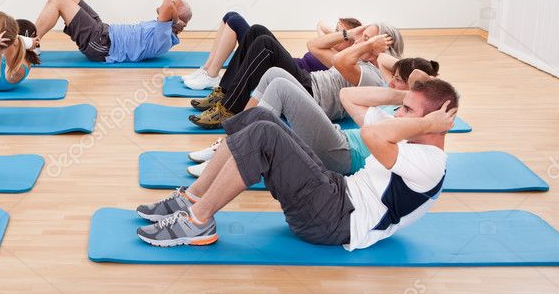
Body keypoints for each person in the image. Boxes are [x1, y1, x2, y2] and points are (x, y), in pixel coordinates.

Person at [134, 78, 459, 250]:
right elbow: (350, 97)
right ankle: (192, 198)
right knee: (260, 116)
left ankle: (198, 222)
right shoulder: (404, 134)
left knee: (263, 134)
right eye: (402, 110)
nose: (399, 116)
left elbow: (374, 136)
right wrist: (401, 101)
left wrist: (428, 123)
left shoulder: (429, 163)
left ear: (433, 123)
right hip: (334, 193)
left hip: (335, 221)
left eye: (408, 112)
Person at [187, 61, 439, 178]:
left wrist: (414, 98)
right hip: (337, 137)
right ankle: (230, 144)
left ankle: (234, 151)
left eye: (408, 107)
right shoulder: (392, 115)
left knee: (281, 89)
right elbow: (347, 95)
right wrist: (403, 95)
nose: (401, 110)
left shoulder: (409, 133)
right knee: (274, 72)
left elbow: (420, 78)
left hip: (342, 154)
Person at [189, 21, 405, 127]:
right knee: (257, 31)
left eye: (367, 38)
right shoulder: (356, 61)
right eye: (363, 37)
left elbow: (340, 60)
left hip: (311, 95)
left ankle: (228, 110)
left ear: (382, 46)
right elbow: (314, 46)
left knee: (265, 45)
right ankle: (225, 93)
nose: (360, 41)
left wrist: (367, 45)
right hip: (307, 82)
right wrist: (349, 34)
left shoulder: (371, 76)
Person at [181, 12, 362, 90]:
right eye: (337, 30)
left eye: (342, 34)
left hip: (286, 70)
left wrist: (350, 37)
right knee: (231, 16)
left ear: (351, 43)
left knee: (237, 23)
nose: (337, 34)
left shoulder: (338, 59)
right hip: (286, 61)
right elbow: (321, 24)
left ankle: (212, 75)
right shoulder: (328, 47)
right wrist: (343, 35)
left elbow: (315, 40)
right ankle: (207, 69)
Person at [34, 0, 191, 63]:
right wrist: (175, 16)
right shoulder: (166, 26)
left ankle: (31, 45)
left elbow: (168, 5)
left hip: (102, 45)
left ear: (173, 17)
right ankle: (34, 41)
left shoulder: (163, 36)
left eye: (174, 7)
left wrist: (175, 20)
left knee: (60, 0)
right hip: (104, 30)